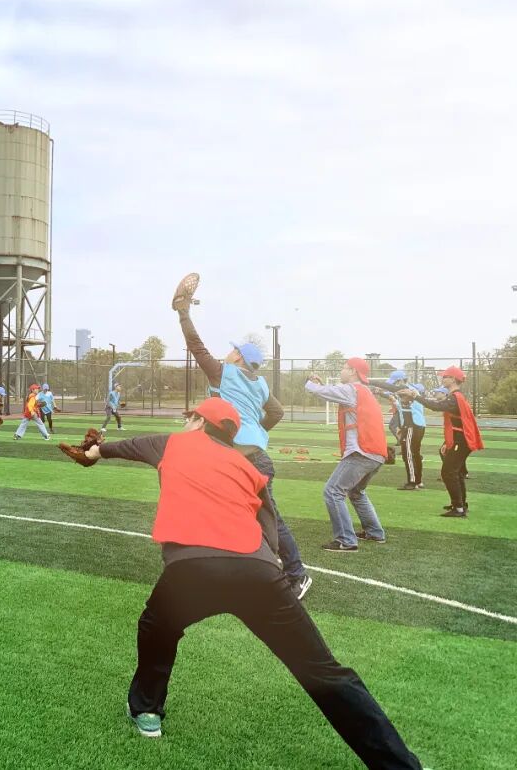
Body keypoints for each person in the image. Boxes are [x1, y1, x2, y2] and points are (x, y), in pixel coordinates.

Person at [65, 397, 422, 768]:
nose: (185, 423)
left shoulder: (172, 443)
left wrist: (94, 451)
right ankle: (400, 765)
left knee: (157, 627)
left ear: (199, 421)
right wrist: (270, 568)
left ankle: (147, 710)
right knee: (323, 671)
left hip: (192, 570)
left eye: (189, 417)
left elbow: (121, 447)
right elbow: (270, 527)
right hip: (259, 573)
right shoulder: (245, 465)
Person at [177, 309, 310, 598]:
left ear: (238, 356)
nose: (228, 353)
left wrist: (183, 312)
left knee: (266, 519)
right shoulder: (259, 383)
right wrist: (256, 431)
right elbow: (277, 412)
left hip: (244, 460)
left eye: (232, 350)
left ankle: (297, 574)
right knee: (238, 515)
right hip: (250, 457)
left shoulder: (224, 373)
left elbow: (195, 345)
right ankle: (249, 566)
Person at [305, 358, 388, 551]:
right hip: (375, 454)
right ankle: (375, 533)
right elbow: (332, 392)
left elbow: (317, 391)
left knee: (333, 491)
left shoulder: (352, 389)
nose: (341, 371)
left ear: (352, 371)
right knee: (356, 492)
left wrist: (310, 382)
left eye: (344, 368)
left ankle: (346, 540)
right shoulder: (363, 391)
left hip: (361, 452)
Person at [400, 367, 483, 517]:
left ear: (453, 379)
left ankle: (458, 508)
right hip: (461, 440)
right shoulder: (456, 396)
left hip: (461, 441)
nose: (442, 379)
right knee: (455, 472)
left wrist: (415, 396)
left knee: (448, 472)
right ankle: (460, 504)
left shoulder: (454, 397)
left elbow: (435, 406)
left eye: (445, 377)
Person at [366, 370, 417, 489]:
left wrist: (368, 381)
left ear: (401, 381)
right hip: (408, 424)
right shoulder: (405, 390)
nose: (394, 386)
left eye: (395, 383)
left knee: (409, 455)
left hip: (411, 425)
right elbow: (394, 398)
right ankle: (416, 481)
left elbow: (391, 391)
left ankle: (413, 482)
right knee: (409, 453)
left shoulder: (406, 389)